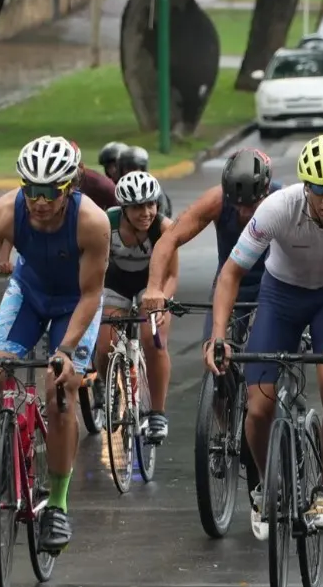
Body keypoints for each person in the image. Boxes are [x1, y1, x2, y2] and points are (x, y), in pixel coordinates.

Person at [205, 134, 323, 539]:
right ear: (304, 185)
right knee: (259, 406)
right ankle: (265, 487)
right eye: (318, 188)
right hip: (281, 295)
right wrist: (218, 336)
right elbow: (231, 274)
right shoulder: (277, 208)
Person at [0, 136, 110, 551]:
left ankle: (59, 506)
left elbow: (90, 296)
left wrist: (64, 351)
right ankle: (1, 441)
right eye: (31, 189)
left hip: (75, 303)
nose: (38, 200)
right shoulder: (3, 212)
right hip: (29, 293)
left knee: (59, 391)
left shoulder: (93, 222)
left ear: (68, 188)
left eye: (49, 191)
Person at [141, 147, 280, 341]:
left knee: (267, 350)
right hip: (229, 281)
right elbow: (169, 238)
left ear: (266, 192)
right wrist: (154, 287)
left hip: (271, 282)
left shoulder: (281, 201)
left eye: (252, 205)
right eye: (237, 204)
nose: (244, 212)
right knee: (215, 349)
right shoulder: (216, 200)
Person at [95, 170, 177, 443]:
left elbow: (172, 275)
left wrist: (162, 302)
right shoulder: (106, 224)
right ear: (124, 209)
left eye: (151, 204)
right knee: (104, 344)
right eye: (138, 207)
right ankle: (105, 384)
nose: (146, 212)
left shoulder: (164, 229)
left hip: (151, 286)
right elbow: (94, 266)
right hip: (116, 282)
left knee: (153, 339)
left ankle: (158, 413)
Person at [0, 140, 114, 275]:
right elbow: (14, 220)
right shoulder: (22, 201)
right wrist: (3, 258)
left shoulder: (99, 186)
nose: (42, 201)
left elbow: (121, 212)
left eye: (53, 190)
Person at [116, 144, 173, 218]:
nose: (132, 173)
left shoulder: (154, 192)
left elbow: (162, 219)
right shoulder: (119, 190)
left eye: (135, 169)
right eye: (128, 169)